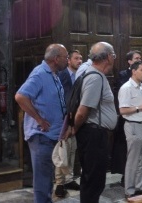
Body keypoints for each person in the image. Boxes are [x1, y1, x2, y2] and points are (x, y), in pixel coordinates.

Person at [15, 44, 68, 202]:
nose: (67, 60)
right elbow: (20, 97)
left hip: (51, 135)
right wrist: (39, 119)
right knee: (42, 181)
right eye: (65, 57)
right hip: (41, 136)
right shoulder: (40, 74)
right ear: (56, 58)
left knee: (47, 179)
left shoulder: (54, 74)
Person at [69, 42, 118, 203]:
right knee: (93, 181)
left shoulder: (95, 75)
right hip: (93, 135)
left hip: (95, 134)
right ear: (109, 57)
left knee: (93, 179)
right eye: (114, 55)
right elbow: (83, 110)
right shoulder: (95, 77)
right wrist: (73, 129)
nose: (114, 59)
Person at [118, 61, 142, 198]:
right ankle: (130, 190)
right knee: (133, 159)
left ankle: (140, 187)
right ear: (134, 71)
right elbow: (122, 110)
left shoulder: (141, 87)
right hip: (134, 125)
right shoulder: (126, 88)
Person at [54, 50, 82, 197]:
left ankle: (69, 179)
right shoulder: (62, 75)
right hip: (64, 119)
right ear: (69, 61)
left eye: (81, 58)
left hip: (75, 118)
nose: (80, 61)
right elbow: (63, 99)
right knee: (62, 152)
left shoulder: (80, 76)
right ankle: (59, 183)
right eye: (76, 58)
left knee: (72, 150)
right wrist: (68, 123)